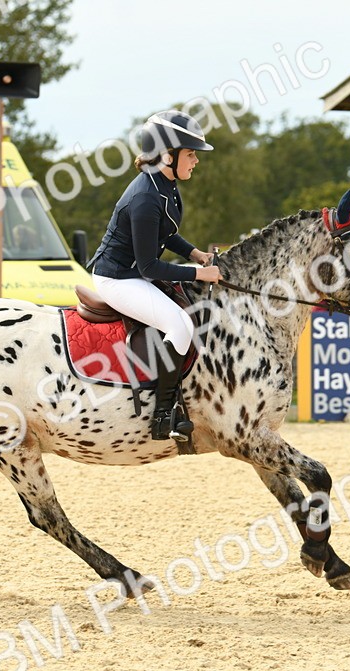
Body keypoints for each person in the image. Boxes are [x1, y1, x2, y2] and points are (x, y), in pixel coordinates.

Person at [87, 109, 221, 442]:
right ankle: (163, 416)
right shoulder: (146, 196)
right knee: (180, 325)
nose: (195, 161)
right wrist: (198, 273)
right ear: (167, 155)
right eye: (190, 154)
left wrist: (194, 253)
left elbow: (166, 233)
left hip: (134, 273)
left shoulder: (164, 185)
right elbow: (149, 265)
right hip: (118, 278)